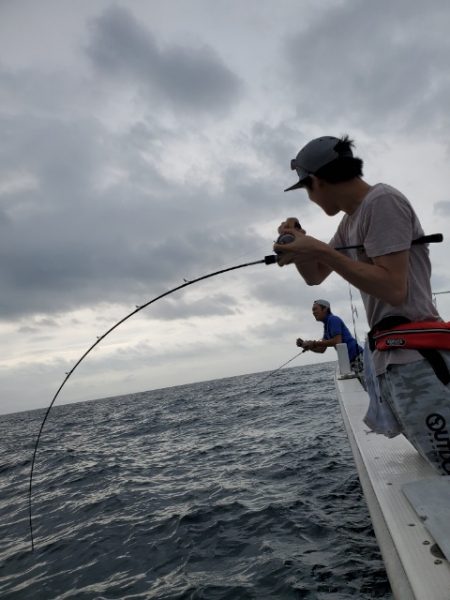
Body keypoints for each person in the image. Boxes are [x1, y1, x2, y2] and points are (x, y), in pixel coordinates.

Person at [274, 134, 450, 475]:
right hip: (391, 362)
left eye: (307, 189)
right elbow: (316, 276)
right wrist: (299, 247)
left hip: (419, 360)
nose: (310, 198)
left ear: (318, 181)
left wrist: (318, 249)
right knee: (438, 471)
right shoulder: (351, 220)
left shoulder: (382, 202)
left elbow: (393, 289)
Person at [296, 299, 363, 375]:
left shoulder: (333, 319)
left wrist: (313, 343)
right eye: (312, 310)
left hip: (357, 357)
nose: (313, 312)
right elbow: (321, 349)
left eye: (315, 309)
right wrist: (306, 345)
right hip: (350, 360)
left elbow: (337, 341)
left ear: (325, 309)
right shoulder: (327, 325)